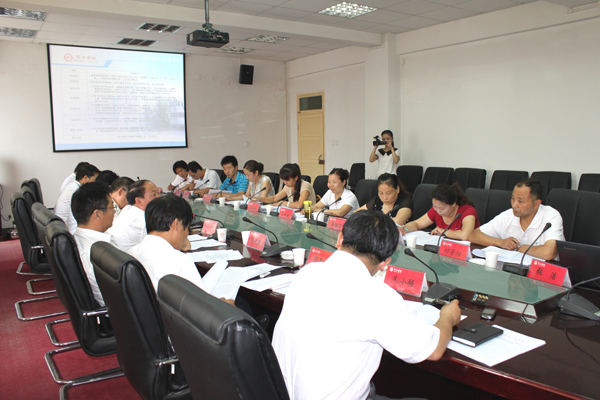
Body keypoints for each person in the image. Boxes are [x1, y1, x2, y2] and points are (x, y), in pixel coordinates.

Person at [272, 210, 461, 400]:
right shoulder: (375, 295)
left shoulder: (308, 272)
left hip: (280, 393)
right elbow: (434, 349)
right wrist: (447, 317)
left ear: (340, 239)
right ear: (385, 263)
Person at [127, 195, 234, 306]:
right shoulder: (179, 261)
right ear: (176, 224)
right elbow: (201, 308)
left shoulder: (131, 252)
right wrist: (223, 305)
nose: (186, 235)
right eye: (187, 229)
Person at [470, 179, 564, 260]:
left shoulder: (551, 216)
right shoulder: (508, 215)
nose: (514, 205)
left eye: (520, 201)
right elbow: (473, 235)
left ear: (536, 204)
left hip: (545, 271)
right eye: (513, 199)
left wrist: (522, 248)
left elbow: (549, 253)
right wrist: (500, 242)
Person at [71, 182, 117, 307]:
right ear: (97, 214)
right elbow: (113, 299)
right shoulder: (97, 255)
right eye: (112, 207)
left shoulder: (81, 238)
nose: (114, 212)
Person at [403, 183, 480, 241]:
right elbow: (416, 224)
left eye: (442, 208)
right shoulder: (436, 210)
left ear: (453, 204)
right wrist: (404, 229)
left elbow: (465, 236)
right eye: (434, 206)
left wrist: (444, 232)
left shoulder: (468, 211)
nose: (438, 211)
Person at [108, 179, 159, 251]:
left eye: (158, 193)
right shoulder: (143, 222)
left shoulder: (127, 209)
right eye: (154, 194)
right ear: (138, 201)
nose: (158, 197)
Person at [54, 164, 100, 234]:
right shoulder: (76, 191)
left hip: (61, 226)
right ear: (85, 178)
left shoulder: (72, 186)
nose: (95, 183)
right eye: (94, 179)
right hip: (64, 228)